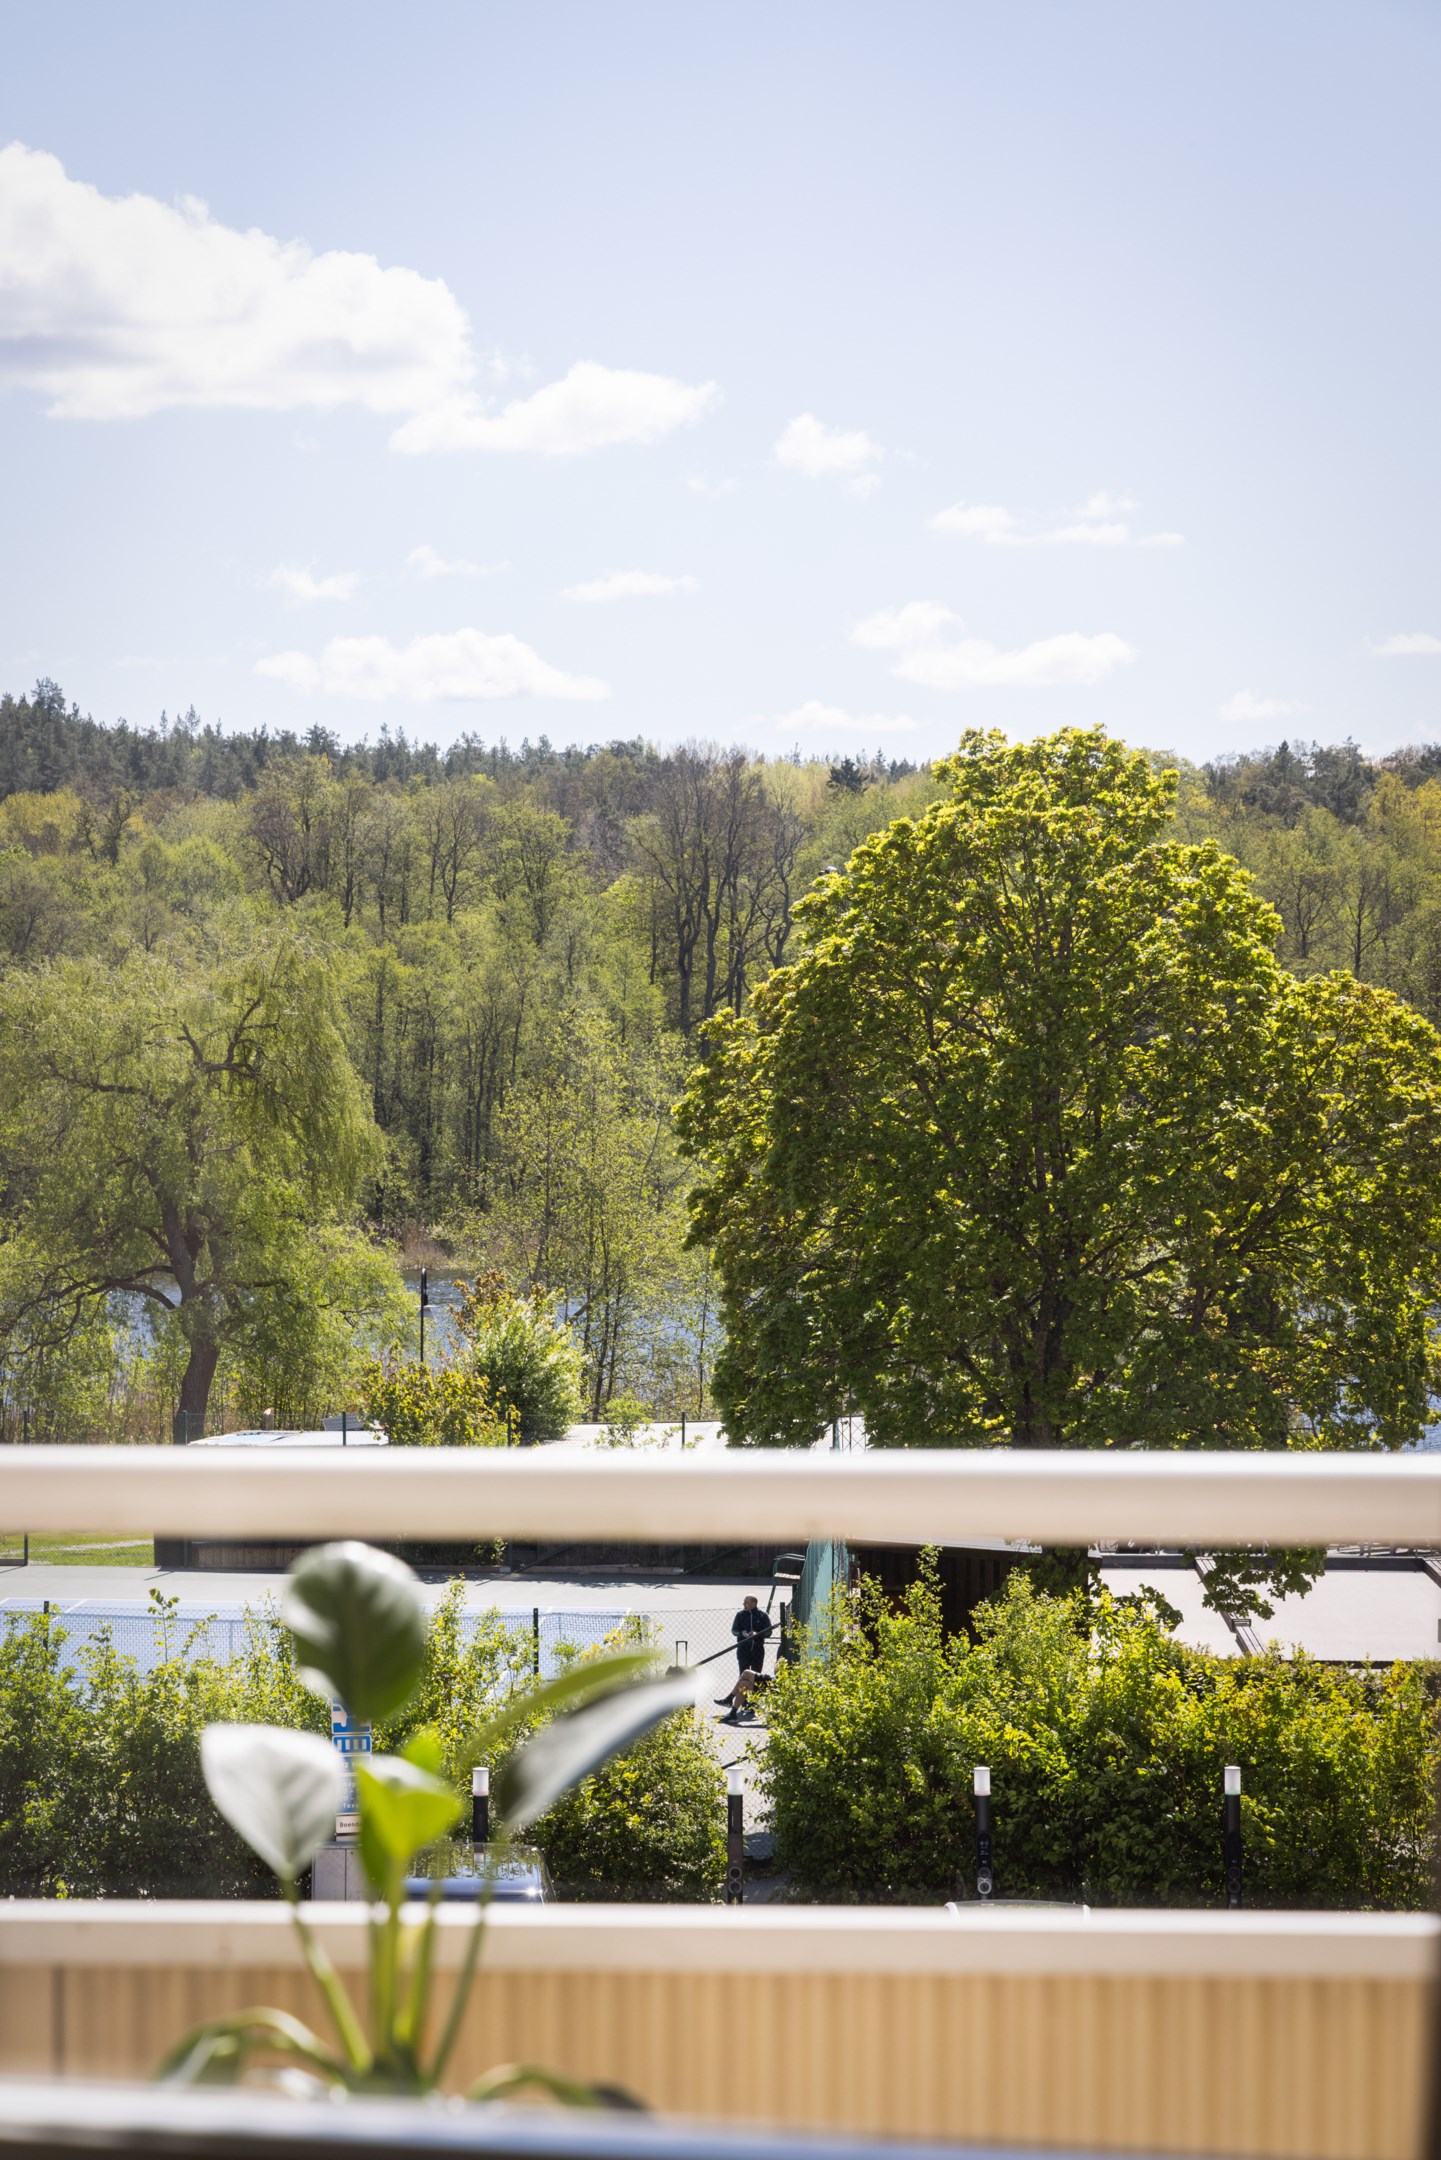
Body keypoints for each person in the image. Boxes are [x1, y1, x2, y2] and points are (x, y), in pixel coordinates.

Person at [716, 1595, 772, 1717]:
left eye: (746, 1602)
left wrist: (758, 1634)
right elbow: (734, 1630)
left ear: (753, 1603)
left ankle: (753, 1703)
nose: (744, 1604)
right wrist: (742, 1633)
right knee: (743, 1674)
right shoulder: (740, 1615)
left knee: (756, 1676)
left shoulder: (762, 1615)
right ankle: (744, 1702)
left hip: (758, 1649)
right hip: (743, 1649)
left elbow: (769, 1632)